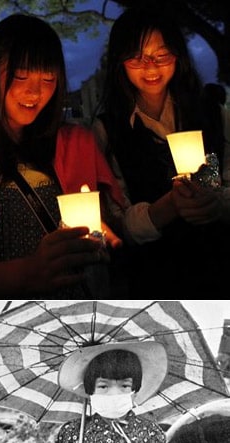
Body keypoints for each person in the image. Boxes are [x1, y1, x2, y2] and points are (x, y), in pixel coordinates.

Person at [0, 14, 136, 300]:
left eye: (48, 78)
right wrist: (27, 273)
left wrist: (99, 233)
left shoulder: (76, 142)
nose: (35, 92)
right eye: (21, 75)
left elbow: (111, 222)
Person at [92, 5, 230, 297]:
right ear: (119, 62)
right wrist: (168, 207)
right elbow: (119, 219)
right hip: (157, 279)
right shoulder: (108, 132)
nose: (151, 67)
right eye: (136, 57)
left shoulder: (213, 114)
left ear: (178, 55)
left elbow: (226, 177)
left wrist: (218, 203)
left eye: (161, 55)